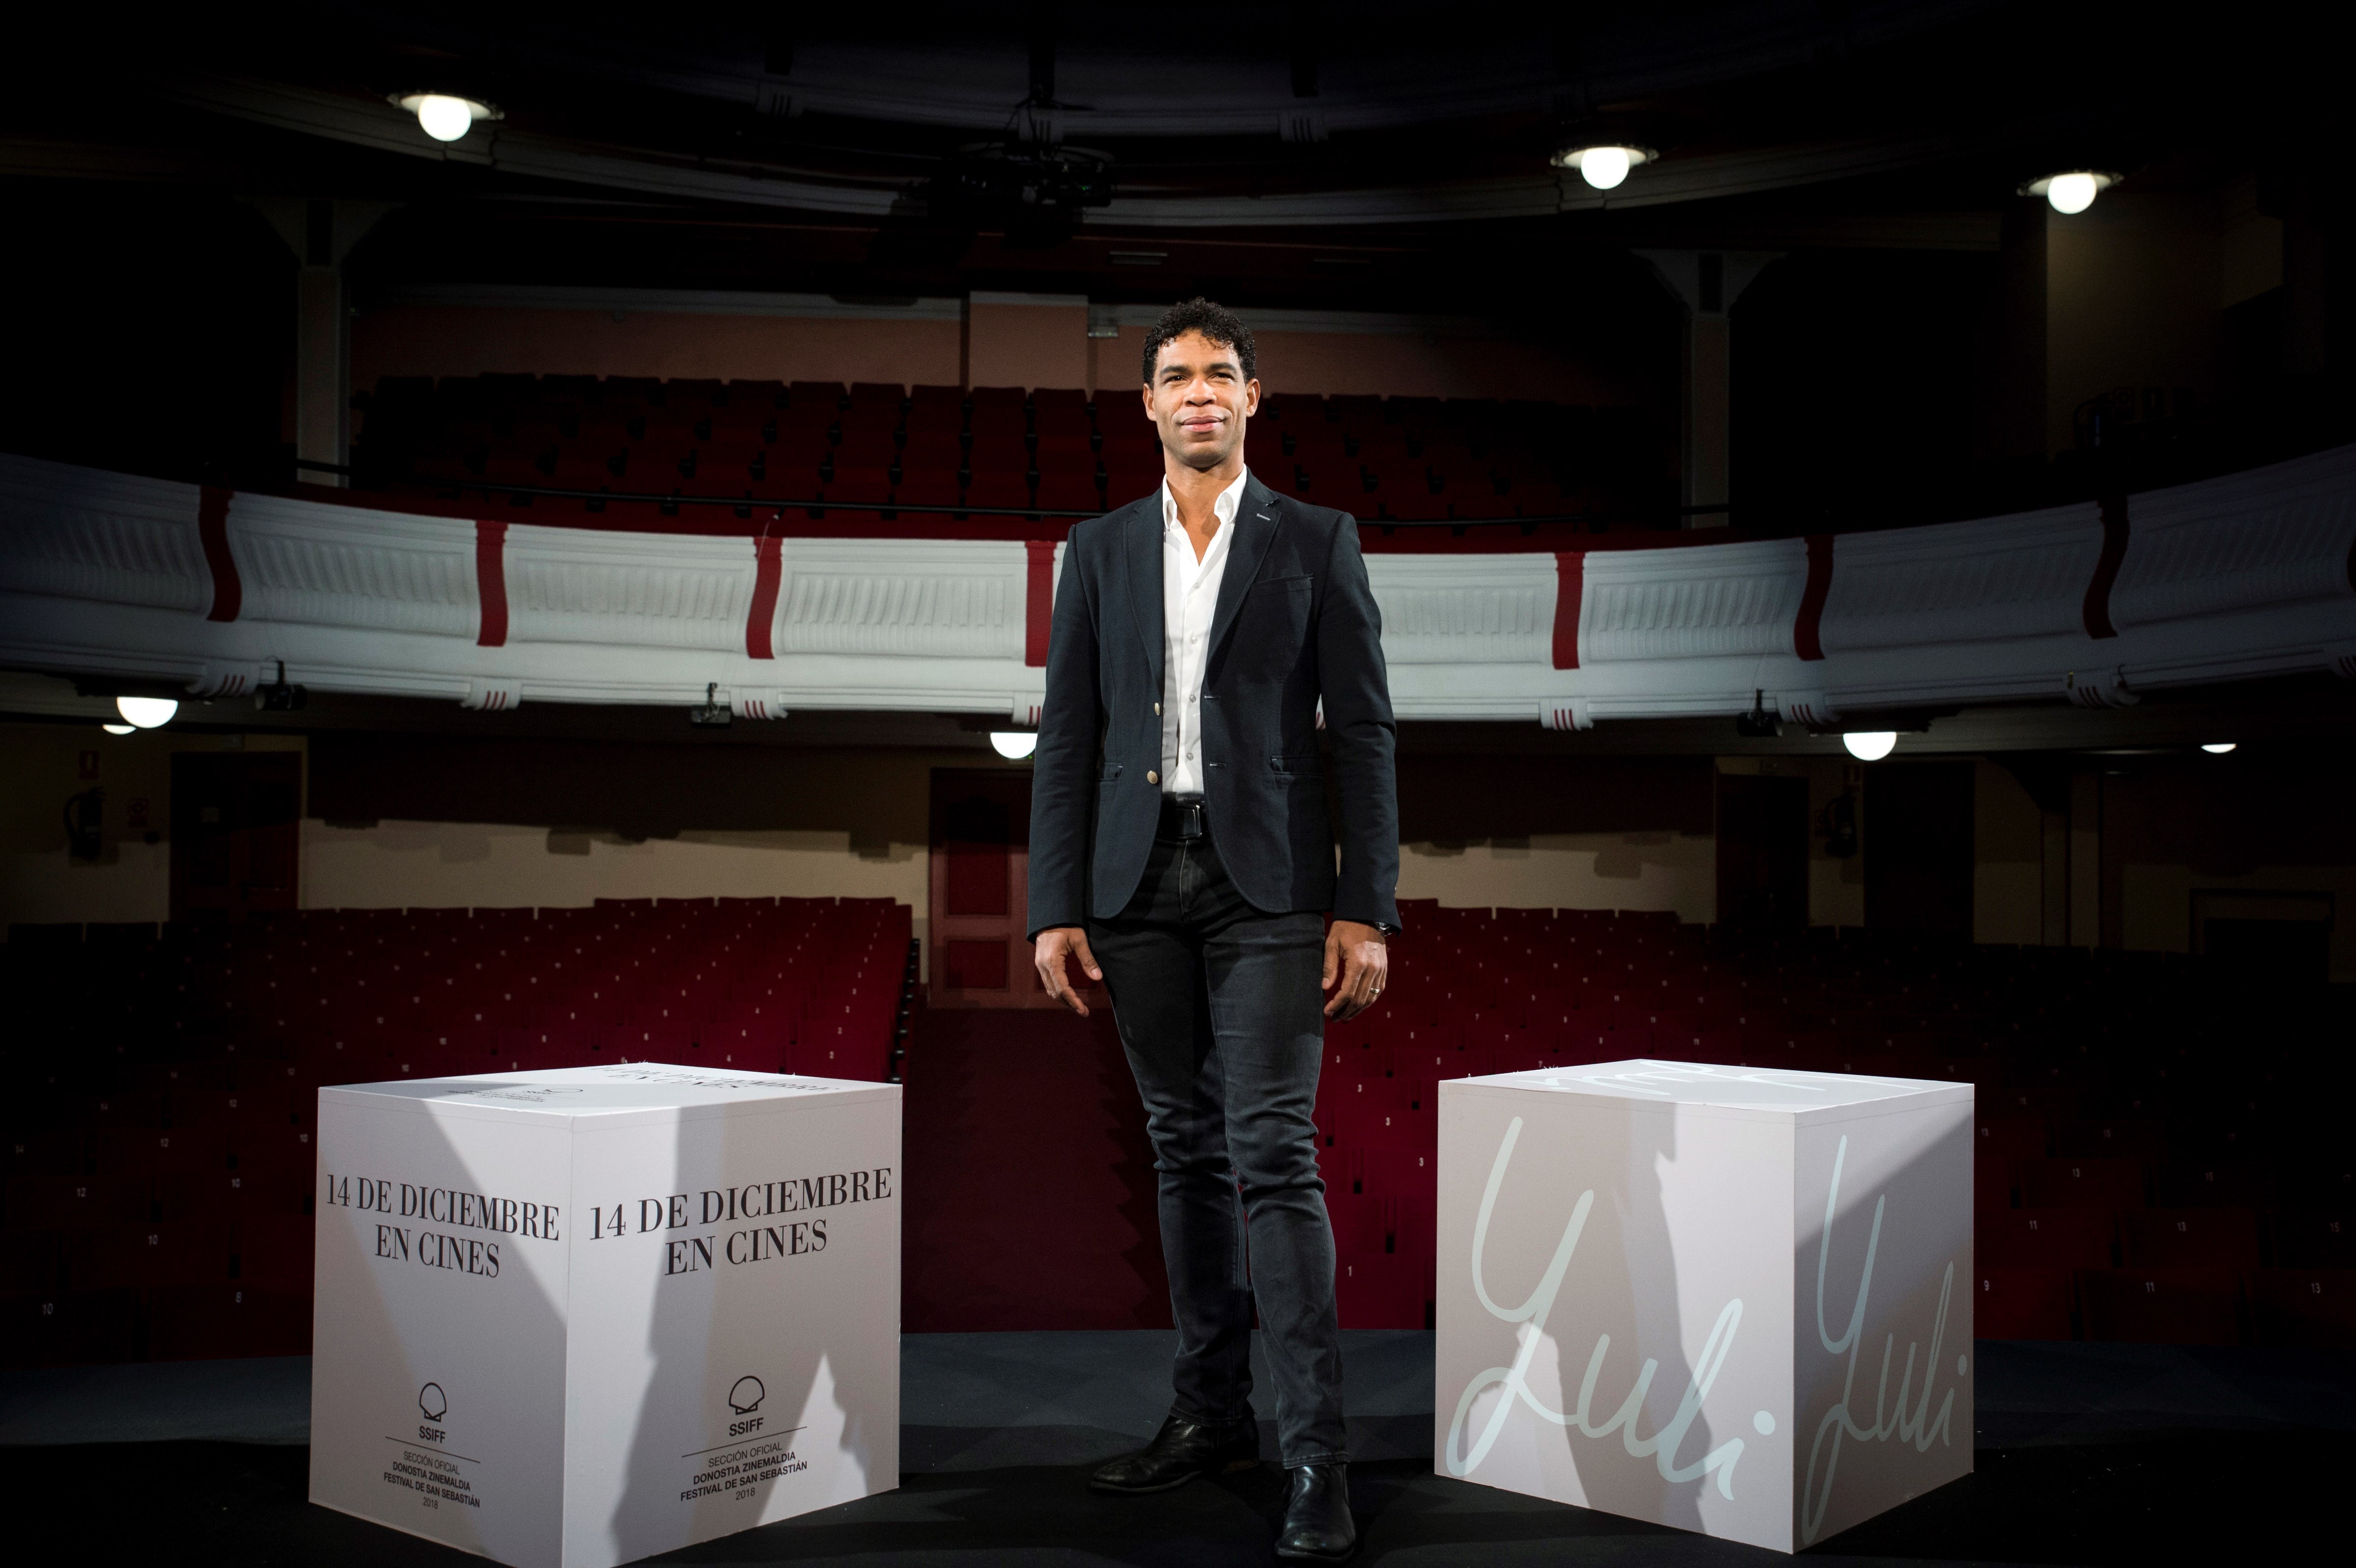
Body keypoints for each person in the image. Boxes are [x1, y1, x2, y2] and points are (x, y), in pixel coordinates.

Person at [1027, 297, 1400, 1563]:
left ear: (1254, 398)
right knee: (1183, 1155)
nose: (1198, 392)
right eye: (1175, 376)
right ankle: (1209, 1416)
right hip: (1136, 884)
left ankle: (1315, 1456)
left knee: (1274, 1157)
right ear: (1145, 403)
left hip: (1272, 887)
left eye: (1220, 375)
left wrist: (1366, 903)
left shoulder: (1320, 539)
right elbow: (1068, 738)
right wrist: (1053, 905)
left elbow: (1362, 733)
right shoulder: (1100, 547)